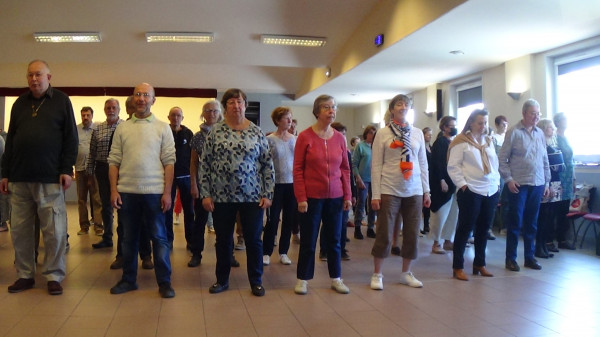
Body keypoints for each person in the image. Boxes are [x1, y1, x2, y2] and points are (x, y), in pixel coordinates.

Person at [1, 60, 78, 295]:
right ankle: (25, 275)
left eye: (38, 75)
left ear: (49, 77)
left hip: (50, 178)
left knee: (54, 231)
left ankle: (54, 275)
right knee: (21, 231)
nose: (34, 79)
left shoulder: (62, 101)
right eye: (30, 75)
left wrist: (66, 169)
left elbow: (70, 138)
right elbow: (11, 140)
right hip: (20, 178)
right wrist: (5, 173)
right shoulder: (19, 104)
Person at [200, 88, 274, 297]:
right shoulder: (216, 131)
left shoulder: (257, 131)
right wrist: (205, 193)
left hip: (252, 196)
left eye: (239, 101)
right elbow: (205, 164)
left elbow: (267, 164)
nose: (236, 105)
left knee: (253, 240)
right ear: (226, 107)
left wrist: (268, 193)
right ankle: (222, 280)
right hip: (221, 196)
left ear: (245, 105)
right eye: (231, 102)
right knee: (223, 240)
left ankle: (256, 281)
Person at [108, 83, 176, 298]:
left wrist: (167, 193)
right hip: (127, 192)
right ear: (133, 99)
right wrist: (113, 190)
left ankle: (164, 282)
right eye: (138, 94)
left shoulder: (163, 128)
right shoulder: (122, 127)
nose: (141, 98)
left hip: (155, 193)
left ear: (153, 100)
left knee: (159, 238)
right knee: (128, 239)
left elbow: (169, 162)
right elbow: (113, 161)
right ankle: (129, 280)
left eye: (146, 95)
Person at [370, 94, 430, 290]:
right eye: (399, 104)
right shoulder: (383, 133)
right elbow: (376, 164)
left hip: (414, 189)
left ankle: (406, 272)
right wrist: (376, 194)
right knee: (385, 232)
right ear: (392, 109)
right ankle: (377, 274)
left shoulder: (417, 133)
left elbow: (422, 163)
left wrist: (426, 190)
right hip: (390, 187)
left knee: (412, 232)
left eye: (406, 104)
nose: (403, 107)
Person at [293, 95, 352, 295]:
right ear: (317, 111)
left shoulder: (340, 138)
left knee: (335, 239)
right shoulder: (305, 137)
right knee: (309, 240)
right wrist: (301, 197)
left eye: (333, 107)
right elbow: (298, 169)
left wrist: (347, 196)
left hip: (335, 196)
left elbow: (345, 169)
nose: (331, 110)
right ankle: (303, 279)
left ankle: (336, 278)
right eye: (326, 107)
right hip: (311, 198)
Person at [447, 109, 500, 281]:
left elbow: (494, 164)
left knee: (484, 228)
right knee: (465, 228)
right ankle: (458, 266)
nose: (483, 126)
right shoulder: (461, 142)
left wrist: (496, 183)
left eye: (485, 122)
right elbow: (453, 166)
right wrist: (463, 186)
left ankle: (479, 263)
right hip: (471, 190)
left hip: (490, 189)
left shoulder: (488, 141)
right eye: (480, 123)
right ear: (471, 123)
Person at [499, 99, 550, 272]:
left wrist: (547, 182)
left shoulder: (540, 134)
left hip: (537, 182)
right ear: (524, 113)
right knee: (515, 222)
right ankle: (511, 258)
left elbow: (545, 159)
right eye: (532, 113)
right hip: (518, 184)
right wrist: (508, 179)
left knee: (532, 223)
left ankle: (530, 257)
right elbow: (502, 159)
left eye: (538, 113)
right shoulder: (513, 132)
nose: (536, 117)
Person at [189, 100, 223, 267]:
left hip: (223, 186)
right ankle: (196, 254)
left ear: (220, 113)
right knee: (200, 221)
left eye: (215, 111)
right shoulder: (197, 137)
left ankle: (227, 254)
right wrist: (193, 184)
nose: (211, 114)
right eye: (208, 111)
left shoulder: (226, 133)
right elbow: (194, 163)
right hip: (203, 184)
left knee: (223, 223)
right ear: (203, 115)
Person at [263, 107, 296, 266]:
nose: (289, 121)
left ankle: (283, 252)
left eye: (290, 118)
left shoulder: (295, 139)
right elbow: (265, 163)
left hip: (292, 185)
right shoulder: (269, 139)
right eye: (286, 118)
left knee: (289, 220)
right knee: (273, 219)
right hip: (275, 185)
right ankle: (266, 252)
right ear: (277, 121)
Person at [165, 107, 194, 250]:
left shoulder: (188, 133)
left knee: (189, 211)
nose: (176, 118)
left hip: (186, 177)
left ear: (182, 117)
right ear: (168, 117)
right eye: (173, 115)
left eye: (178, 115)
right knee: (167, 209)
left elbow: (193, 156)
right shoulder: (164, 132)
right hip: (168, 177)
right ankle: (168, 240)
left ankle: (191, 241)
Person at [535, 119, 565, 259]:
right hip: (547, 182)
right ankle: (539, 246)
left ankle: (544, 245)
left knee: (550, 215)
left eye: (552, 127)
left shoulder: (552, 145)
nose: (552, 130)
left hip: (556, 182)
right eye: (549, 127)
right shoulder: (540, 146)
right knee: (543, 216)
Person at [429, 116, 459, 254]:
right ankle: (436, 243)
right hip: (443, 182)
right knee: (441, 213)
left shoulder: (454, 142)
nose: (454, 128)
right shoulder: (440, 142)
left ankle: (448, 240)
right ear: (445, 127)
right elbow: (438, 163)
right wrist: (441, 179)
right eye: (451, 126)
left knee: (453, 213)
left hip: (454, 182)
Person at [75, 106, 103, 235]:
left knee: (96, 198)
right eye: (83, 115)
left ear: (92, 116)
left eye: (88, 115)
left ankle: (98, 225)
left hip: (94, 169)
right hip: (80, 168)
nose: (85, 117)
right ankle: (84, 226)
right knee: (81, 199)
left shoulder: (97, 129)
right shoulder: (76, 129)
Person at [552, 112, 576, 250]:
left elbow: (571, 161)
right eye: (564, 120)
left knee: (564, 209)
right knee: (556, 208)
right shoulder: (555, 139)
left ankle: (562, 238)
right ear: (558, 122)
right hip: (559, 177)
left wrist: (573, 179)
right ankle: (552, 239)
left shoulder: (566, 138)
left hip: (568, 177)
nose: (566, 122)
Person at [353, 125, 377, 240]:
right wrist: (358, 177)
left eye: (374, 133)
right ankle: (357, 227)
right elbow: (354, 164)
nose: (372, 135)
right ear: (366, 134)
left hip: (375, 179)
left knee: (373, 204)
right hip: (363, 178)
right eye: (370, 133)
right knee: (361, 202)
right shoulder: (360, 146)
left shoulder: (377, 147)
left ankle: (371, 227)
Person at [491, 115, 509, 237]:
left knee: (506, 200)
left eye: (506, 124)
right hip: (497, 172)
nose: (505, 126)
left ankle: (505, 226)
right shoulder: (494, 138)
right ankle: (490, 226)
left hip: (508, 172)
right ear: (497, 125)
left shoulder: (508, 138)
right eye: (502, 124)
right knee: (496, 199)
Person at [420, 127, 433, 235]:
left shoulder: (431, 148)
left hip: (430, 177)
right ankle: (419, 225)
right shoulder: (421, 147)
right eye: (428, 134)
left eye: (431, 134)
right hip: (421, 177)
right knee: (420, 203)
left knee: (427, 202)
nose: (430, 136)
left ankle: (426, 224)